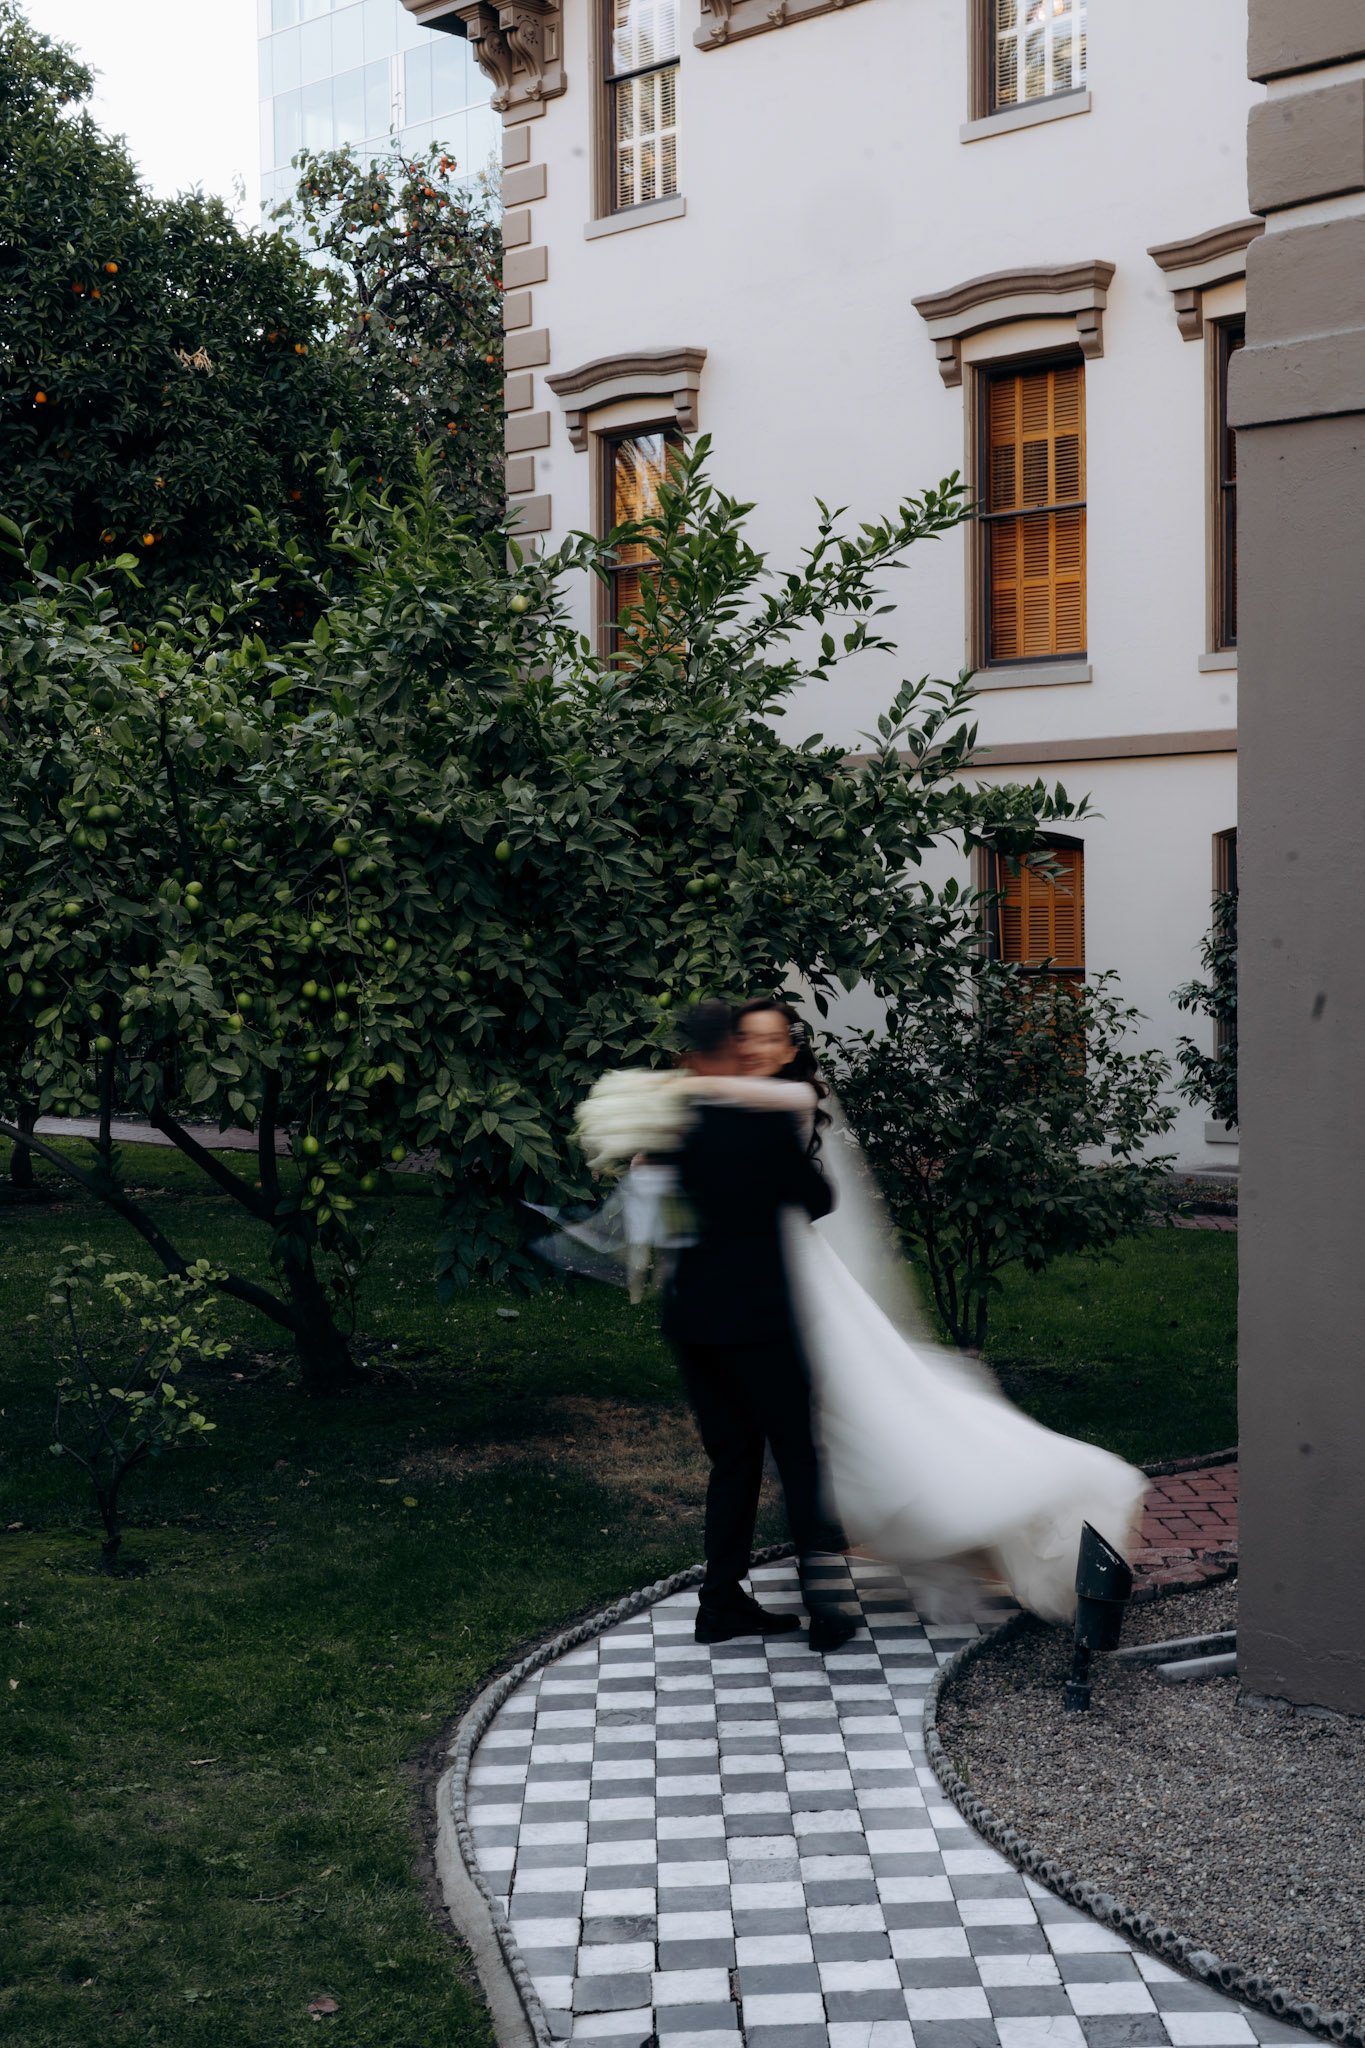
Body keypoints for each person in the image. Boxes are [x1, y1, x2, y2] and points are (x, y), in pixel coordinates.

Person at [729, 997, 1147, 1624]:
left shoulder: (787, 1100)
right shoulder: (739, 1100)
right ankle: (833, 1569)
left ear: (790, 1049)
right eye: (746, 1040)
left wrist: (673, 1101)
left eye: (770, 1039)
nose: (757, 1050)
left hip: (800, 1277)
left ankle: (982, 1510)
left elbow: (756, 1143)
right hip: (773, 1275)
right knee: (836, 1428)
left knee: (866, 1417)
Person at [661, 1000, 857, 1652]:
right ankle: (824, 1609)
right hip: (759, 1319)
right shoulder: (762, 1121)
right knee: (798, 1460)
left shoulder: (670, 1117)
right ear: (731, 1049)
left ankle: (719, 1604)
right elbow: (816, 1199)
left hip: (692, 1318)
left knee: (733, 1461)